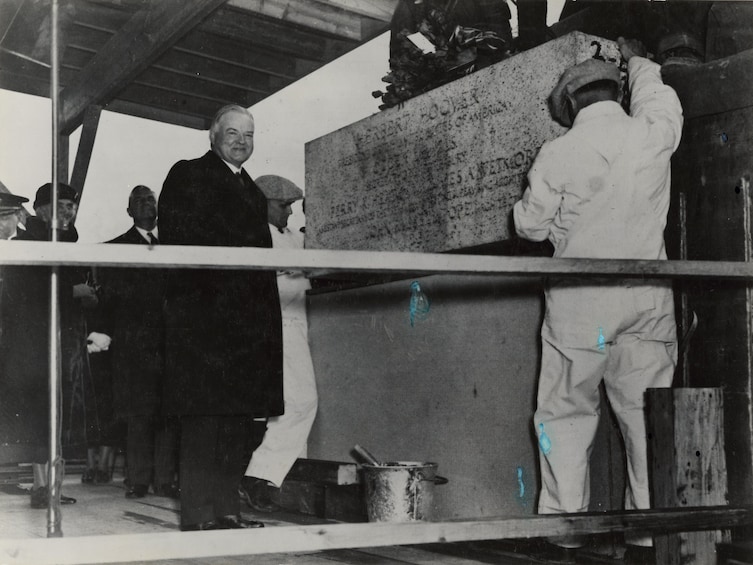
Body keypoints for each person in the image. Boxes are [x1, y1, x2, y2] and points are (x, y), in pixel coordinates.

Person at [512, 37, 682, 563]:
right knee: (646, 414)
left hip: (582, 304)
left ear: (570, 105)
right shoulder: (652, 133)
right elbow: (660, 97)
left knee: (565, 412)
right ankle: (650, 535)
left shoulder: (558, 152)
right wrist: (638, 61)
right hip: (646, 299)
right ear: (616, 91)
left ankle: (565, 529)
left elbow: (530, 227)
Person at [159, 104, 283, 531]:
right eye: (232, 132)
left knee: (236, 421)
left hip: (245, 329)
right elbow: (180, 238)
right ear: (212, 135)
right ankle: (197, 515)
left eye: (248, 135)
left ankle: (226, 509)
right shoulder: (188, 173)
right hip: (205, 323)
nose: (241, 141)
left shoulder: (252, 190)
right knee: (203, 418)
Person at [0, 182, 99, 508]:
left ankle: (47, 487)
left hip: (55, 340)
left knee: (50, 414)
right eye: (62, 205)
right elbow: (34, 294)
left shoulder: (61, 238)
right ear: (41, 209)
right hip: (34, 342)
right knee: (41, 413)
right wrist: (74, 292)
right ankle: (44, 488)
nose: (69, 211)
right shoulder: (32, 241)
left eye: (72, 205)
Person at [93, 185, 179, 499]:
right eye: (138, 201)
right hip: (134, 346)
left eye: (150, 199)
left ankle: (166, 480)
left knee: (168, 413)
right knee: (139, 414)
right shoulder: (116, 248)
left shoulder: (175, 245)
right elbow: (111, 299)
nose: (145, 204)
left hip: (170, 344)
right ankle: (139, 480)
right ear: (129, 211)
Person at [239, 175, 318, 513]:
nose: (289, 212)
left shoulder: (290, 237)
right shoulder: (258, 235)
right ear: (262, 204)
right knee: (301, 401)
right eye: (282, 205)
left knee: (292, 403)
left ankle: (268, 480)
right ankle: (258, 475)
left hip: (297, 324)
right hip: (278, 327)